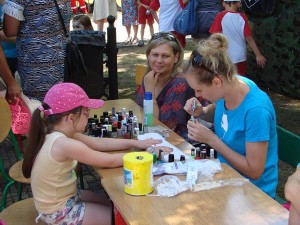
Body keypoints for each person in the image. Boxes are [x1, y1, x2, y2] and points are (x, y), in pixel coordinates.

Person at [22, 82, 165, 224]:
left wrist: (136, 143)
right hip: (59, 212)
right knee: (119, 218)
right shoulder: (64, 144)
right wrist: (149, 154)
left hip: (65, 198)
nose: (89, 116)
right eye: (86, 112)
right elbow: (107, 161)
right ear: (70, 118)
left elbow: (98, 143)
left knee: (115, 206)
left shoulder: (56, 131)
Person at [183, 33, 278, 198]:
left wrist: (212, 140)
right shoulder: (230, 84)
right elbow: (220, 109)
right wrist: (202, 112)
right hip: (226, 177)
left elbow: (254, 171)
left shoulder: (256, 110)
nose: (197, 95)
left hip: (254, 195)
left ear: (217, 82)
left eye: (199, 90)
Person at [3, 0, 71, 102]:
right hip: (63, 56)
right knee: (61, 103)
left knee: (40, 107)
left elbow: (10, 31)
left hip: (37, 64)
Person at [136, 32, 195, 140]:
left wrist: (150, 93)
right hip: (153, 138)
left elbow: (160, 125)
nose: (159, 61)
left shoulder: (180, 82)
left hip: (179, 142)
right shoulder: (150, 76)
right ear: (148, 55)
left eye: (165, 56)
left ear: (176, 57)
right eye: (155, 55)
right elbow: (139, 112)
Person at [209, 0, 266, 76]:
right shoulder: (242, 17)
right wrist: (258, 55)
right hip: (241, 56)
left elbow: (214, 37)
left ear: (223, 3)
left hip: (226, 57)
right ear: (238, 3)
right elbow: (249, 38)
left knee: (227, 79)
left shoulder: (220, 16)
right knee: (240, 79)